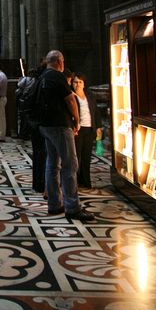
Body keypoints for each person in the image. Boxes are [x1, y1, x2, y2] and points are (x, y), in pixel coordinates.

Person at [38, 50, 94, 222]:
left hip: (46, 125)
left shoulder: (43, 77)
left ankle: (54, 204)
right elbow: (70, 100)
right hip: (60, 126)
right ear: (59, 62)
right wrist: (77, 121)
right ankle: (73, 207)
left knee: (52, 164)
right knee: (70, 165)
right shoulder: (57, 76)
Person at [72, 72, 101, 189]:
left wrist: (98, 127)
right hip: (78, 130)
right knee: (77, 156)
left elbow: (96, 112)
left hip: (89, 129)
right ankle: (77, 180)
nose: (78, 84)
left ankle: (86, 180)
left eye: (80, 82)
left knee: (87, 156)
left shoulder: (89, 95)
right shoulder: (72, 96)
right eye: (75, 82)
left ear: (84, 84)